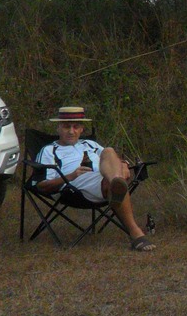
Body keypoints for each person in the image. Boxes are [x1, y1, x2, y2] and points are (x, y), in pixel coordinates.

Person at [33, 106, 155, 252]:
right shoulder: (48, 150)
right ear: (58, 128)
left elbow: (109, 159)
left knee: (109, 151)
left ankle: (116, 183)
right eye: (66, 127)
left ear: (81, 129)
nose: (71, 131)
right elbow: (41, 185)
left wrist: (123, 164)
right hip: (74, 185)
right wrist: (71, 175)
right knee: (113, 181)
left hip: (103, 177)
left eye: (75, 127)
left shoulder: (89, 144)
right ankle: (134, 229)